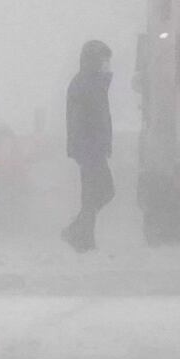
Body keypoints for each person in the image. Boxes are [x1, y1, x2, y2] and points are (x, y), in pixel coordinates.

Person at [62, 40, 115, 252]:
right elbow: (79, 120)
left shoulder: (93, 83)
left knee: (96, 194)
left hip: (93, 148)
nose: (106, 64)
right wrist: (86, 147)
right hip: (89, 149)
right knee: (101, 192)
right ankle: (80, 235)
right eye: (103, 60)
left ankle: (81, 235)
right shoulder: (85, 84)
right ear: (92, 60)